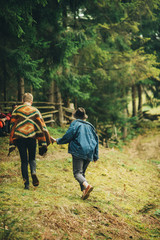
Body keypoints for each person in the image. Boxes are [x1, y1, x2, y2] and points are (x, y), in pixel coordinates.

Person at [8, 93, 53, 190]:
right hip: (32, 138)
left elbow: (12, 124)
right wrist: (48, 137)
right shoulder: (35, 111)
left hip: (20, 138)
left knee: (24, 160)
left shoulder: (16, 110)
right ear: (31, 101)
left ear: (22, 100)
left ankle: (26, 184)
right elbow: (42, 126)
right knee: (32, 158)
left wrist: (13, 137)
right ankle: (33, 172)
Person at [52, 107, 99, 200]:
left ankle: (88, 186)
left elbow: (68, 136)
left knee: (77, 173)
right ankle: (84, 192)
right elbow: (96, 140)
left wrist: (57, 141)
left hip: (78, 150)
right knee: (82, 173)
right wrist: (95, 156)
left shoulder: (75, 124)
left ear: (75, 116)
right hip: (89, 152)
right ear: (85, 117)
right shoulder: (90, 126)